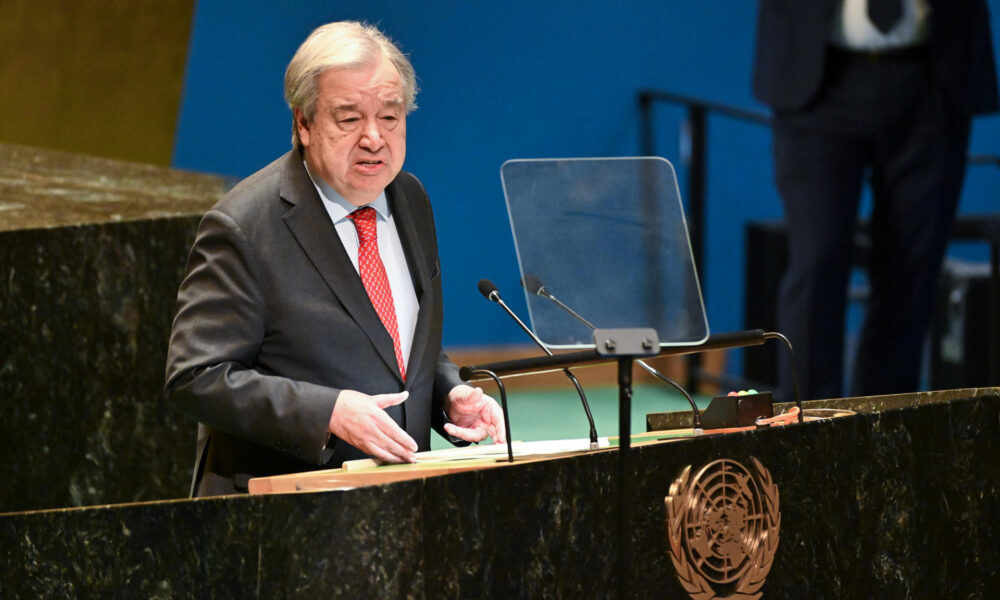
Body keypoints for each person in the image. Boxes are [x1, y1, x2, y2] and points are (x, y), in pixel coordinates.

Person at [165, 21, 505, 497]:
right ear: (303, 123)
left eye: (390, 117)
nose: (373, 138)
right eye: (348, 119)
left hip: (396, 501)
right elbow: (196, 377)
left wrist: (448, 395)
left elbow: (395, 342)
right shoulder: (243, 226)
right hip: (278, 514)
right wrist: (327, 413)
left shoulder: (409, 198)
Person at [752, 0, 999, 401]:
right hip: (817, 78)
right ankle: (807, 444)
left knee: (911, 277)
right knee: (818, 264)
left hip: (934, 76)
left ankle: (881, 445)